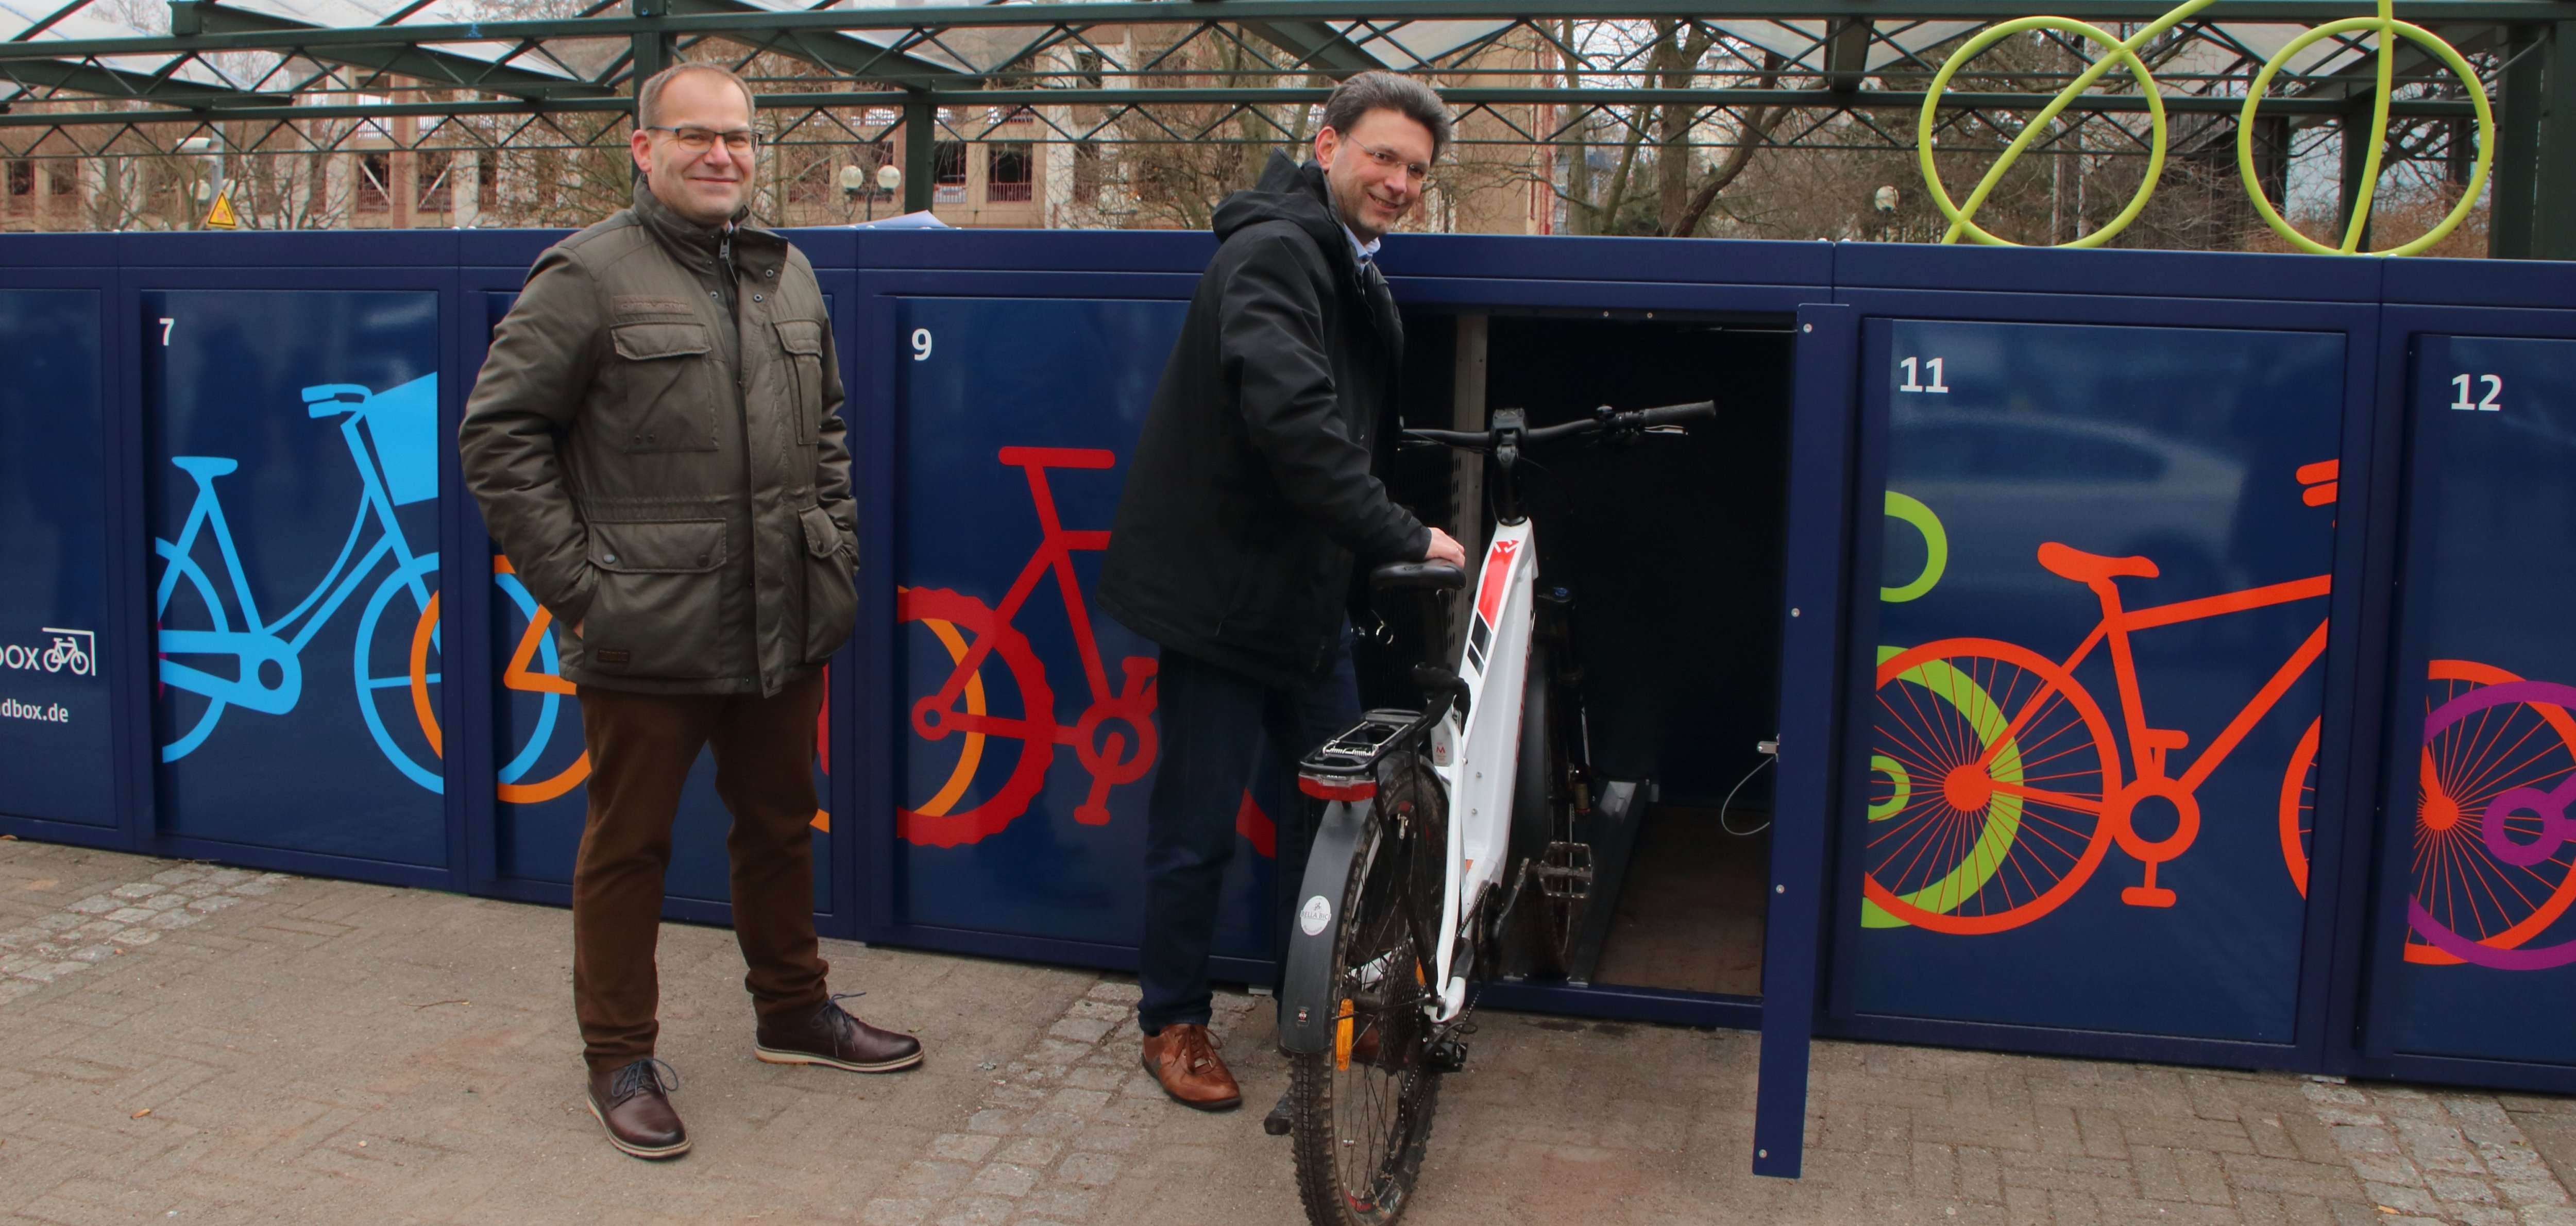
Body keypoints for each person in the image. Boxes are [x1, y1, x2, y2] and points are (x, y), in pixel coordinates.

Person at [457, 61, 921, 1162]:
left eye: (739, 139)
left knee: (777, 823)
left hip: (782, 613)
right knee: (629, 845)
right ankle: (617, 1054)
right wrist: (583, 584)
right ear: (642, 147)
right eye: (695, 136)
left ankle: (792, 1009)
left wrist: (833, 544)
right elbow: (500, 436)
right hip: (644, 626)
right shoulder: (586, 274)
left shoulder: (789, 272)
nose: (721, 156)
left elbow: (829, 432)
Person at [1097, 71, 1467, 1120]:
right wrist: (1405, 533)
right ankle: (1171, 1020)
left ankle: (1316, 1009)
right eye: (1382, 157)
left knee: (1338, 815)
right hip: (1224, 600)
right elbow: (1298, 426)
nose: (1397, 181)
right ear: (1326, 144)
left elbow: (1343, 428)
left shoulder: (1344, 263)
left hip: (1303, 599)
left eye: (1415, 170)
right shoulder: (1273, 254)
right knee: (1198, 827)